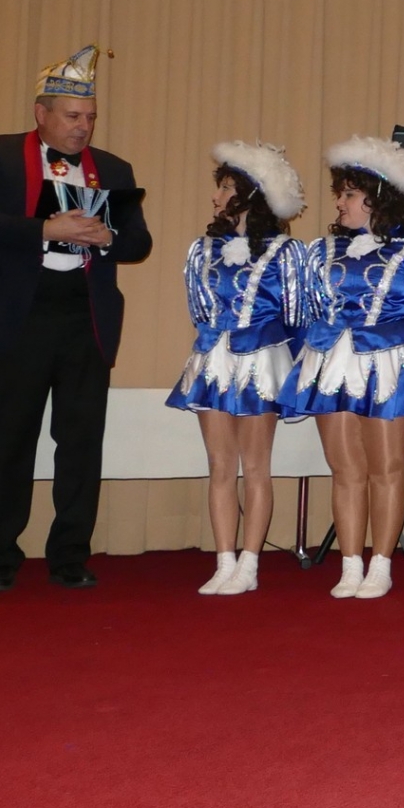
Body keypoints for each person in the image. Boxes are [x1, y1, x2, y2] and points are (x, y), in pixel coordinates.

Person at [0, 46, 153, 592]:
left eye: (89, 117)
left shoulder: (113, 168)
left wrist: (107, 237)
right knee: (10, 438)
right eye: (72, 116)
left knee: (81, 440)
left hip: (84, 314)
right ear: (41, 113)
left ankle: (70, 555)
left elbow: (139, 242)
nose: (82, 126)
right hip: (20, 314)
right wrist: (47, 230)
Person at [281, 136, 404, 600]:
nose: (340, 202)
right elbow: (307, 311)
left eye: (350, 194)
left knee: (387, 468)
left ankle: (381, 564)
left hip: (393, 363)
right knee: (345, 469)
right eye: (341, 193)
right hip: (333, 361)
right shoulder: (321, 251)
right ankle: (350, 562)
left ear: (379, 198)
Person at [167, 141, 309, 595]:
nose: (216, 196)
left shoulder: (286, 253)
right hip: (213, 359)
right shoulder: (202, 249)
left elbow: (298, 315)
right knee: (220, 465)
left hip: (261, 360)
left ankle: (250, 564)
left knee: (256, 466)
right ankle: (224, 559)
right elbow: (197, 308)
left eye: (227, 187)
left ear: (251, 194)